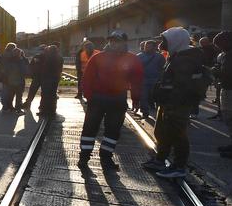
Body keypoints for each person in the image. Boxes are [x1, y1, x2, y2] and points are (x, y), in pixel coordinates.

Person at [142, 27, 210, 178]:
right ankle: (160, 159)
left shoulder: (185, 59)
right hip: (168, 102)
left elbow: (182, 86)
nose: (161, 43)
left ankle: (179, 167)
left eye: (164, 40)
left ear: (176, 41)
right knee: (162, 132)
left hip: (177, 104)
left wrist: (172, 104)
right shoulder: (177, 56)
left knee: (177, 134)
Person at [79, 30, 143, 172]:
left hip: (117, 99)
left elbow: (136, 81)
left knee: (112, 131)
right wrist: (89, 96)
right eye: (112, 41)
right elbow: (87, 78)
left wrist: (136, 99)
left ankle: (106, 158)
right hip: (98, 98)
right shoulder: (98, 58)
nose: (114, 44)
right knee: (89, 128)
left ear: (124, 43)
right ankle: (84, 157)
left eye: (117, 41)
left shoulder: (132, 59)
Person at [214, 31, 232, 158]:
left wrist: (215, 71)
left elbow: (229, 74)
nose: (219, 48)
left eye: (219, 45)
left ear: (227, 42)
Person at [137, 40, 166, 120]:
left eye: (149, 46)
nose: (147, 48)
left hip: (156, 81)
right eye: (146, 46)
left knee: (155, 97)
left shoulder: (159, 57)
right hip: (143, 81)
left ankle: (159, 114)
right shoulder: (139, 56)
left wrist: (161, 79)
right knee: (143, 97)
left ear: (154, 47)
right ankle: (145, 112)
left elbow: (163, 68)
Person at [0, 43, 26, 113]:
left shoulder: (5, 56)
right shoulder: (19, 60)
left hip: (8, 79)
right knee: (18, 95)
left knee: (8, 94)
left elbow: (1, 66)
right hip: (17, 80)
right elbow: (23, 70)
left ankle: (7, 107)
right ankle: (17, 109)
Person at [37, 45, 64, 117]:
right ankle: (52, 110)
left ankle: (43, 110)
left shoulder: (48, 57)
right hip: (55, 78)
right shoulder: (60, 57)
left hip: (47, 78)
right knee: (53, 94)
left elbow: (45, 68)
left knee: (45, 94)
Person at [23, 46, 45, 111]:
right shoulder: (48, 57)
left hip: (37, 76)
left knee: (32, 91)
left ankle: (28, 103)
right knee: (43, 92)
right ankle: (42, 106)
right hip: (43, 77)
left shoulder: (37, 56)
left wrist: (31, 74)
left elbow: (31, 66)